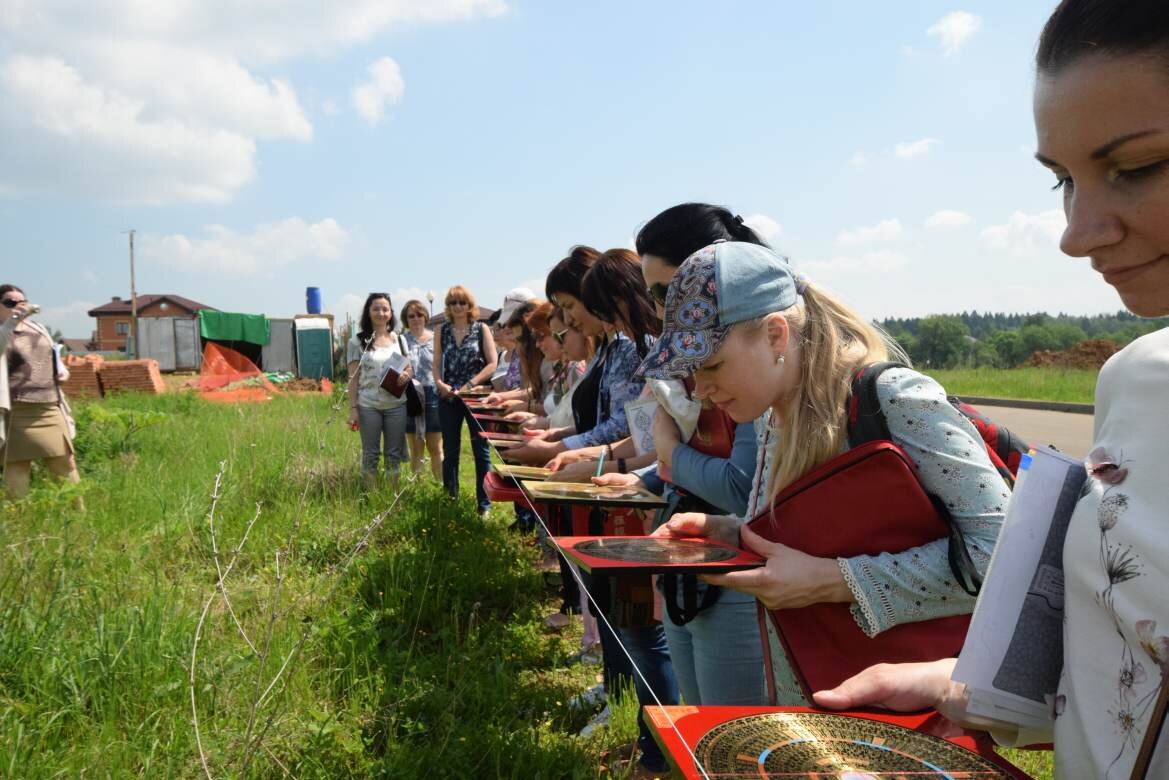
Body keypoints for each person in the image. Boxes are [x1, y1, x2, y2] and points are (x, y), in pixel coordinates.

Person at [813, 2, 1169, 776]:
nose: (1075, 233)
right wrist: (962, 688)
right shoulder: (1136, 381)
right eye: (1062, 182)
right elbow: (1127, 652)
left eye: (1137, 166)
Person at [640, 241, 1008, 706]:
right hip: (817, 695)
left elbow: (1001, 555)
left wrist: (835, 580)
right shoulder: (771, 417)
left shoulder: (895, 397)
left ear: (776, 335)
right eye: (692, 372)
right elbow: (829, 534)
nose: (702, 391)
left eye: (712, 365)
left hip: (909, 705)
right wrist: (732, 534)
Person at [593, 202, 775, 708]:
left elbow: (742, 486)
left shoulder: (752, 370)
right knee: (695, 720)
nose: (654, 307)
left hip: (739, 570)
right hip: (695, 555)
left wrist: (668, 455)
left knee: (724, 728)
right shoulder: (687, 363)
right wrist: (648, 477)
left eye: (663, 291)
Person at [0, 284, 79, 500]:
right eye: (10, 303)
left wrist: (62, 371)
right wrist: (11, 322)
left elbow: (53, 355)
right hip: (16, 410)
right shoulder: (2, 330)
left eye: (22, 302)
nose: (18, 306)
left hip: (47, 406)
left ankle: (80, 517)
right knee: (17, 466)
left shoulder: (39, 328)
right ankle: (21, 519)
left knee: (65, 462)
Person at [432, 285, 497, 514]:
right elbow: (437, 362)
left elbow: (492, 363)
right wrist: (440, 384)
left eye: (462, 302)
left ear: (470, 306)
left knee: (481, 450)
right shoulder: (442, 330)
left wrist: (471, 385)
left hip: (476, 396)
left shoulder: (481, 329)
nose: (457, 307)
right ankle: (451, 499)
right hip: (449, 396)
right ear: (448, 307)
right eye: (452, 303)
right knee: (450, 450)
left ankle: (484, 505)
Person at [346, 293, 411, 491]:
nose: (381, 313)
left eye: (385, 309)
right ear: (368, 312)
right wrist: (353, 409)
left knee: (393, 454)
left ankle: (392, 498)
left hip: (396, 406)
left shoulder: (400, 340)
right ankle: (371, 497)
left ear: (391, 313)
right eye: (376, 309)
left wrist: (406, 375)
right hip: (368, 406)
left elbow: (409, 368)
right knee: (370, 454)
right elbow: (353, 378)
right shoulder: (356, 342)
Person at [400, 299, 442, 481]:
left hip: (433, 393)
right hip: (410, 395)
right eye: (411, 315)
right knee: (416, 447)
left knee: (435, 447)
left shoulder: (436, 339)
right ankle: (416, 487)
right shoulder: (401, 341)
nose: (416, 318)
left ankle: (441, 486)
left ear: (425, 316)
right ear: (406, 319)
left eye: (419, 314)